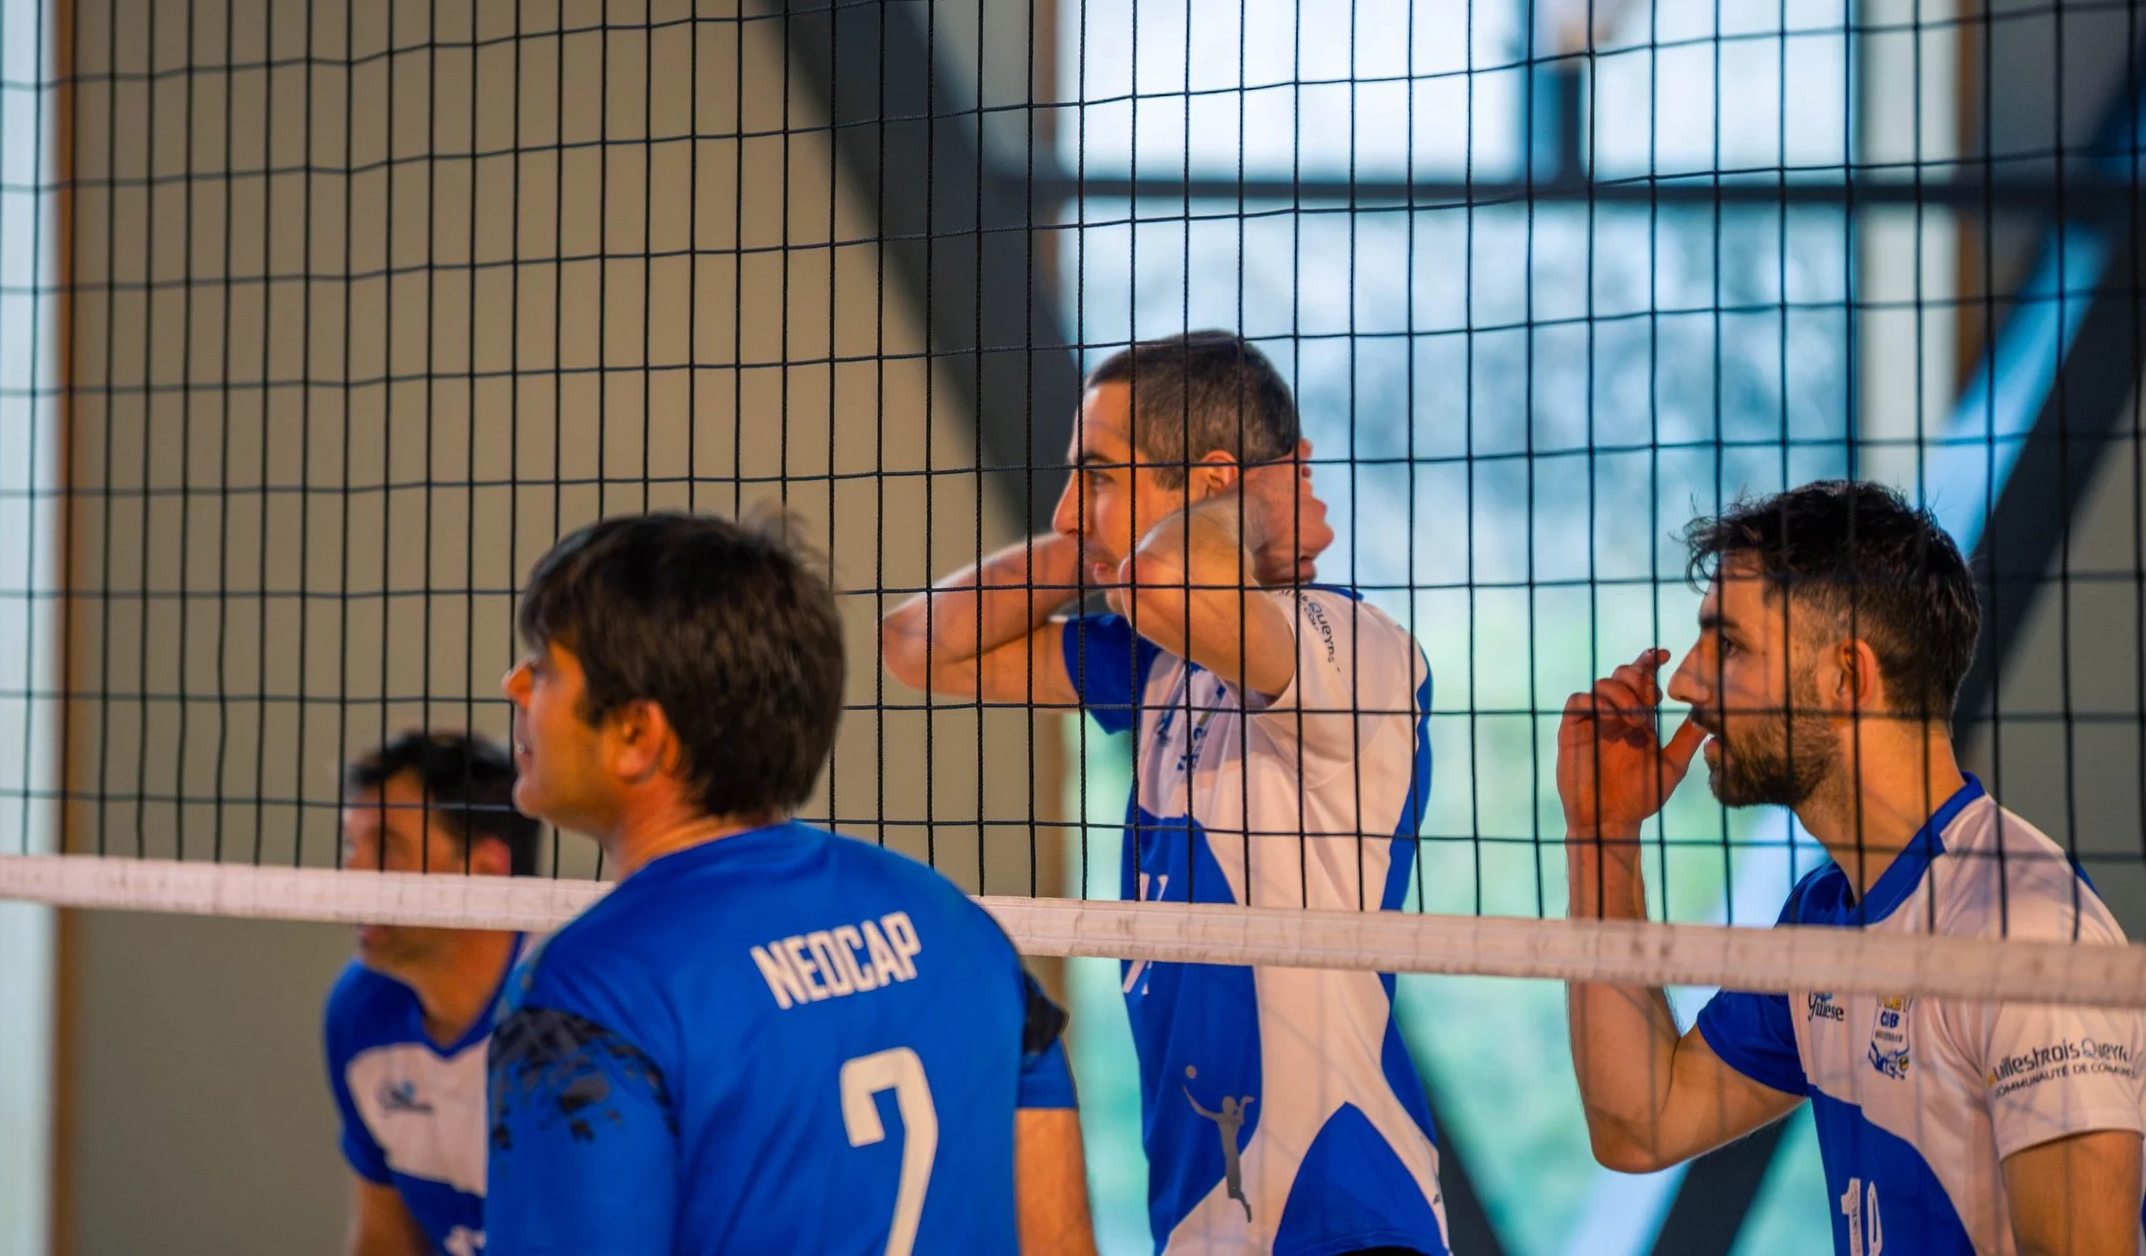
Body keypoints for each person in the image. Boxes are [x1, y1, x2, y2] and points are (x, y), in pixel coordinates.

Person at [881, 330, 1447, 1255]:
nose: (1066, 510)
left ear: (1211, 484)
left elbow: (1167, 579)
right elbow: (915, 645)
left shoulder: (1355, 643)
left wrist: (1238, 511)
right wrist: (1093, 548)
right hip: (1201, 1220)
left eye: (1097, 476)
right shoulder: (1157, 664)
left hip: (1341, 1217)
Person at [482, 510, 1097, 1256]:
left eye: (544, 667)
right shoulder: (958, 927)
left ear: (638, 735)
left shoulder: (589, 990)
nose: (515, 685)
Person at [1561, 480, 2145, 1256]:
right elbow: (1642, 1122)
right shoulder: (1826, 916)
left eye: (1728, 646)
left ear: (1846, 678)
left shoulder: (2025, 932)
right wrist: (1602, 831)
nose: (1683, 683)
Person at [323, 730, 542, 1256]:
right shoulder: (360, 1013)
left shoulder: (573, 1013)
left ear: (484, 872)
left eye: (385, 848)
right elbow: (384, 1241)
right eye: (352, 846)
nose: (351, 873)